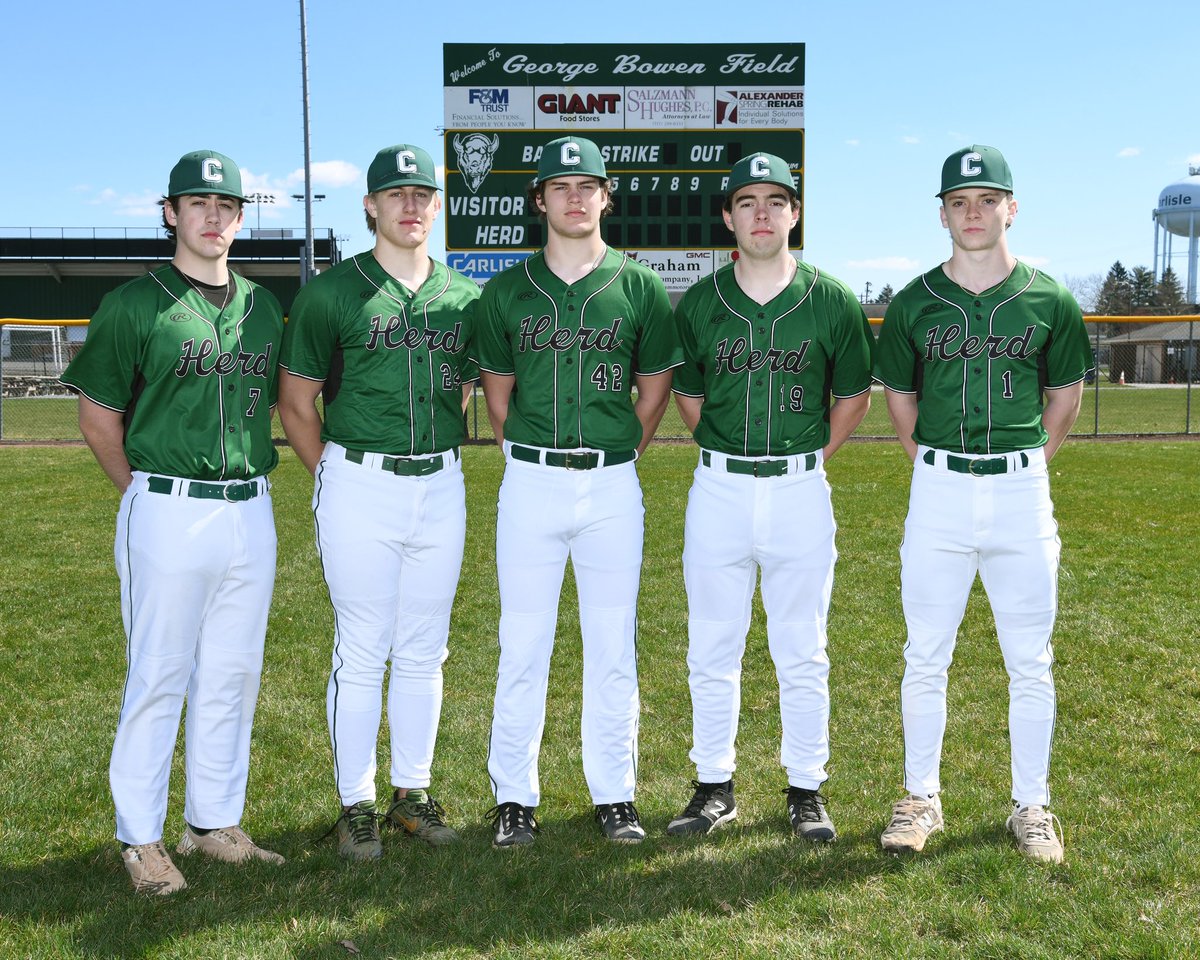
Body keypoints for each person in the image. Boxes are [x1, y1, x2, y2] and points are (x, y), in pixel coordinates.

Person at [60, 150, 285, 895]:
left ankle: (212, 822)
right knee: (158, 673)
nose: (212, 217)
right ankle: (141, 839)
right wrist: (143, 492)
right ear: (170, 213)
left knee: (231, 673)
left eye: (224, 205)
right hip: (168, 504)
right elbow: (98, 418)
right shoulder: (134, 303)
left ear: (241, 218)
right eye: (197, 204)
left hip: (250, 507)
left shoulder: (262, 306)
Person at [873, 144, 1094, 863]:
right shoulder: (913, 300)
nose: (973, 213)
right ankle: (919, 798)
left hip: (1021, 489)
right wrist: (931, 465)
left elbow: (1065, 397)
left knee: (1030, 659)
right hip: (939, 485)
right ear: (943, 214)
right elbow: (900, 397)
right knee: (924, 655)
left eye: (987, 200)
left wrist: (1029, 465)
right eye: (960, 203)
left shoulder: (1049, 297)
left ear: (1011, 207)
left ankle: (1032, 805)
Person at [472, 135, 681, 847]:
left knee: (612, 644)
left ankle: (615, 794)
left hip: (611, 483)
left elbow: (653, 391)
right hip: (529, 479)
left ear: (605, 197)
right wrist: (531, 457)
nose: (573, 195)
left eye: (586, 184)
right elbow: (498, 399)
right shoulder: (505, 291)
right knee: (522, 642)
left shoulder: (641, 286)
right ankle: (513, 798)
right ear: (539, 200)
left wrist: (619, 454)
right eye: (559, 185)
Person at [279, 144, 480, 860]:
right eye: (396, 194)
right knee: (362, 648)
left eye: (423, 193)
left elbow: (462, 388)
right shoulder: (332, 293)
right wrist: (334, 472)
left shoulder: (463, 297)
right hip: (358, 477)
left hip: (441, 480)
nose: (411, 205)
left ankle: (412, 794)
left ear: (437, 205)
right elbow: (296, 402)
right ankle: (355, 803)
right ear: (370, 205)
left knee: (426, 648)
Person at [668, 152, 874, 842]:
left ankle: (806, 787)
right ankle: (713, 785)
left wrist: (810, 457)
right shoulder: (700, 301)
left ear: (795, 213)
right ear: (728, 216)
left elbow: (851, 398)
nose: (762, 213)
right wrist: (728, 453)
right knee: (711, 645)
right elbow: (690, 397)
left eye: (776, 201)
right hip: (718, 488)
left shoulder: (833, 299)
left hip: (799, 489)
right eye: (748, 201)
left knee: (803, 647)